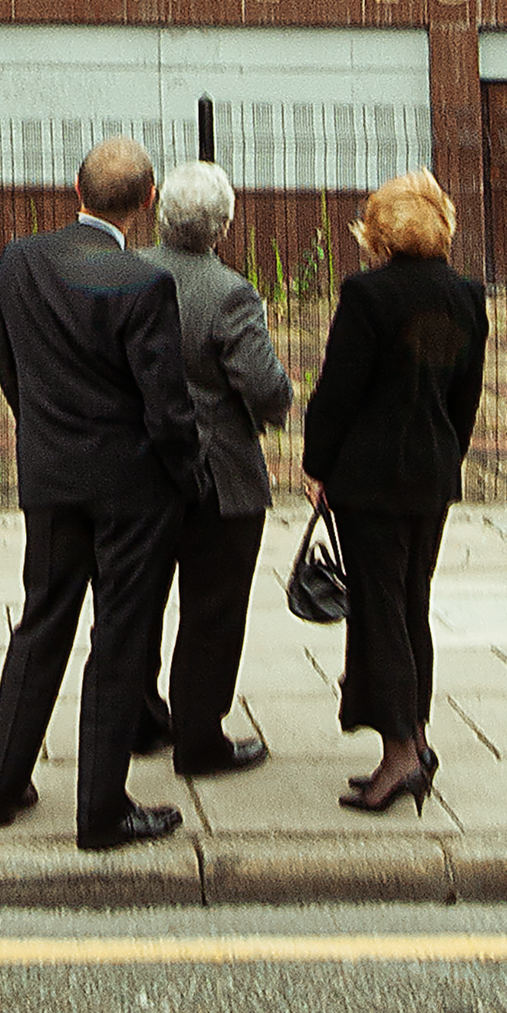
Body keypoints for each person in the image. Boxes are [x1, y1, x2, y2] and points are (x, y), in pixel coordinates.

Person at [0, 136, 209, 851]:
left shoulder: (19, 259)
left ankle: (0, 785)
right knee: (118, 640)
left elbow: (6, 363)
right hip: (131, 491)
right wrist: (191, 475)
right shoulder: (140, 283)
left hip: (50, 478)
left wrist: (44, 434)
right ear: (147, 203)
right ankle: (100, 809)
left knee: (41, 622)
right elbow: (167, 408)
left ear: (75, 189)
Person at [302, 168, 488, 815]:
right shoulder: (465, 295)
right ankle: (418, 734)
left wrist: (316, 464)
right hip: (429, 477)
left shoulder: (368, 296)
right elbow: (463, 395)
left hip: (370, 480)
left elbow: (338, 392)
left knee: (379, 612)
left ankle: (400, 755)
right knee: (410, 604)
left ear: (379, 232)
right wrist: (444, 455)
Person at [137, 161, 293, 776]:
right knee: (213, 608)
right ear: (223, 225)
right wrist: (280, 399)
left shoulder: (127, 274)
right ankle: (200, 738)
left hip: (140, 467)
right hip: (217, 473)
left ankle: (138, 718)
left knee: (138, 602)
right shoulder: (229, 291)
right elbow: (264, 386)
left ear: (159, 213)